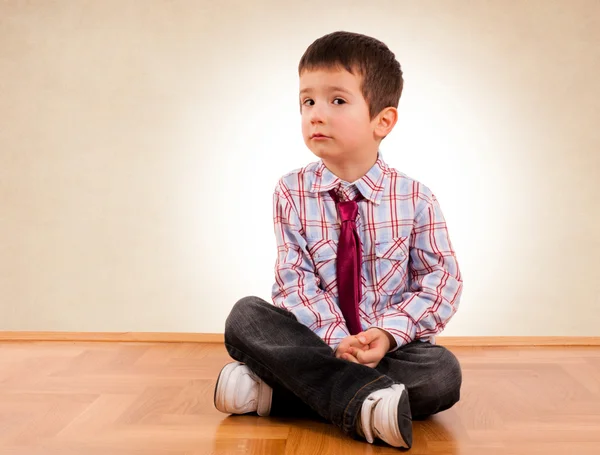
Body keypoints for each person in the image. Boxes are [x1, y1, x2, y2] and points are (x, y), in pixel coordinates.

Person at [213, 30, 463, 450]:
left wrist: (385, 333)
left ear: (382, 121)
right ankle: (367, 402)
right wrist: (333, 340)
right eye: (307, 101)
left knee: (441, 374)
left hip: (386, 350)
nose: (315, 114)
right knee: (246, 317)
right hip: (315, 340)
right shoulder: (291, 190)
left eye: (337, 101)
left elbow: (442, 283)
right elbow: (294, 282)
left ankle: (275, 392)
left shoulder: (416, 198)